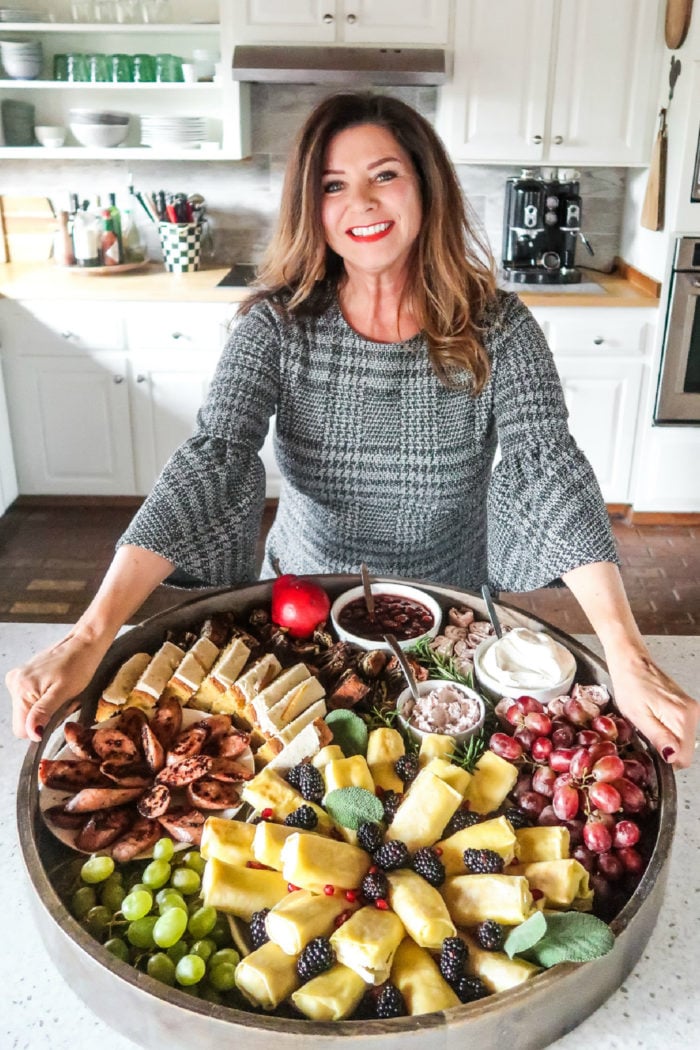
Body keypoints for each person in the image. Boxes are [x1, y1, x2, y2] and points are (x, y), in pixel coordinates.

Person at [7, 92, 698, 767]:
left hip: (447, 623)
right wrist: (92, 634)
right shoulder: (276, 326)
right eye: (334, 185)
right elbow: (214, 458)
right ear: (314, 209)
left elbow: (546, 466)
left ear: (426, 188)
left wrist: (625, 654)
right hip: (300, 618)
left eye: (385, 176)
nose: (362, 203)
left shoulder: (500, 327)